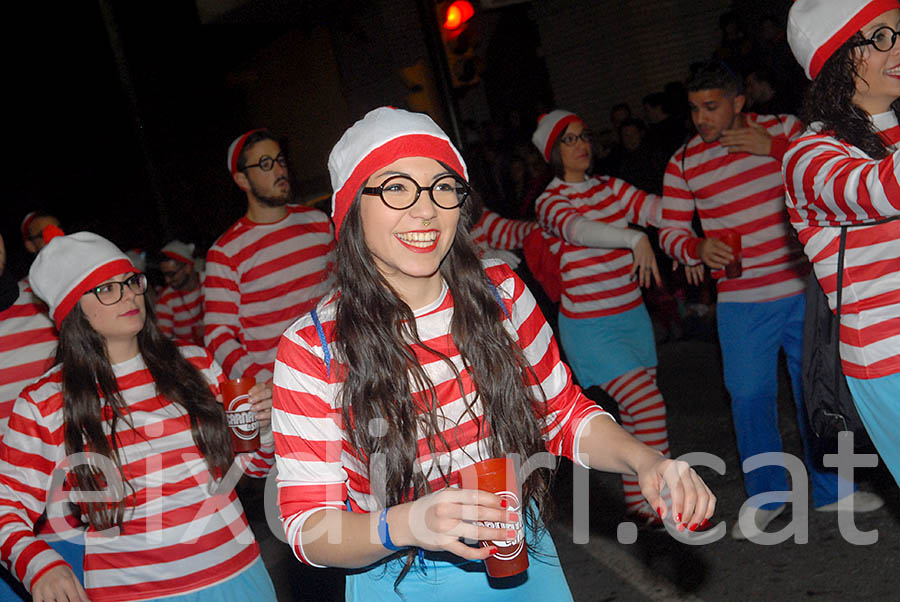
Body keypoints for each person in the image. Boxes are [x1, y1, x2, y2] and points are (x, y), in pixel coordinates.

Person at [271, 107, 715, 600]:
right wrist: (407, 523)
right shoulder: (313, 347)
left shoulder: (500, 293)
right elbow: (309, 526)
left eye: (443, 187)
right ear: (353, 207)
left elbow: (561, 412)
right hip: (399, 578)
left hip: (519, 556)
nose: (425, 209)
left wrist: (644, 461)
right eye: (396, 187)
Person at [660, 60, 883, 539]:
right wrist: (694, 247)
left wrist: (777, 150)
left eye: (712, 106)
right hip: (741, 299)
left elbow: (832, 173)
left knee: (819, 393)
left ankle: (835, 490)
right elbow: (671, 230)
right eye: (695, 108)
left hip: (803, 289)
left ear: (739, 102)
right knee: (748, 397)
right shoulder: (682, 162)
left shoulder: (784, 129)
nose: (702, 118)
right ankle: (767, 497)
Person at [0, 228, 277, 601]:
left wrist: (262, 427)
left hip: (240, 577)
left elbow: (251, 466)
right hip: (134, 593)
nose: (129, 294)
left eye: (130, 281)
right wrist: (40, 565)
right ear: (72, 308)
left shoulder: (195, 363)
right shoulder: (46, 401)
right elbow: (6, 507)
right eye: (107, 288)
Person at [530, 109, 675, 527]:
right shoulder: (550, 202)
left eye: (584, 136)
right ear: (553, 152)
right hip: (592, 328)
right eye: (569, 140)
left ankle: (643, 509)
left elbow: (661, 211)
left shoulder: (611, 187)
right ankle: (659, 503)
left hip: (632, 318)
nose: (581, 146)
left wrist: (703, 204)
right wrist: (632, 237)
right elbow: (580, 231)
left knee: (638, 415)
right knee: (648, 407)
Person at [784, 0, 900, 485]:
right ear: (836, 61)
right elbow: (880, 190)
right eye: (878, 37)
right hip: (889, 362)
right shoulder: (808, 154)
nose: (897, 48)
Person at [204, 129, 335, 384]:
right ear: (242, 180)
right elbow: (217, 335)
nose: (279, 170)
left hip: (344, 373)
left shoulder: (319, 223)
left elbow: (343, 292)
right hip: (284, 389)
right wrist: (266, 383)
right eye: (265, 164)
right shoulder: (225, 252)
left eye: (280, 161)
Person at [155, 239, 204, 344]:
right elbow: (163, 341)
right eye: (165, 275)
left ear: (187, 267)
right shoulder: (165, 300)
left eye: (171, 274)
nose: (167, 280)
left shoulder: (210, 282)